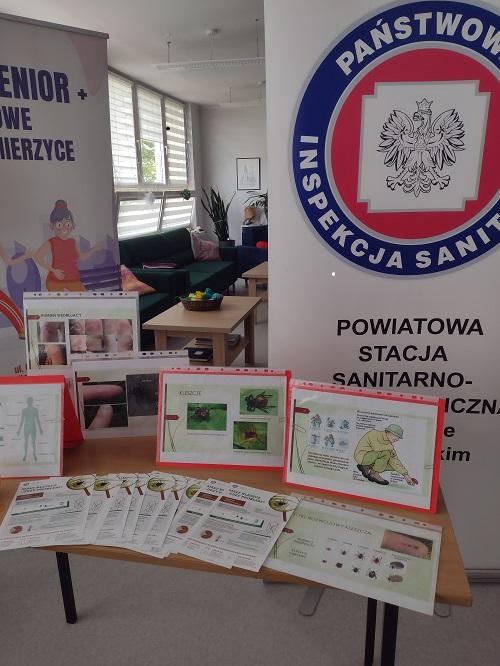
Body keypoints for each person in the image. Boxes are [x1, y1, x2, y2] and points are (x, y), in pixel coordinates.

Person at [33, 199, 104, 291]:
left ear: (72, 225)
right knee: (60, 299)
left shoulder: (73, 242)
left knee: (83, 297)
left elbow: (82, 258)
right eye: (59, 225)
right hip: (55, 281)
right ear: (52, 226)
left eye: (67, 224)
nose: (64, 228)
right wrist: (53, 270)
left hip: (73, 280)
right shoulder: (52, 242)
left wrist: (94, 249)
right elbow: (37, 256)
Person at [354, 424, 418, 486]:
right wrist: (390, 448)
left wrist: (405, 475)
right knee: (386, 453)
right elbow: (376, 448)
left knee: (393, 466)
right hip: (362, 456)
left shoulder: (389, 445)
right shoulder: (374, 433)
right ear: (388, 432)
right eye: (396, 435)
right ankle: (373, 474)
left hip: (372, 458)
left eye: (399, 437)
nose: (398, 439)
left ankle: (366, 467)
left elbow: (394, 460)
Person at [17, 397, 43, 462]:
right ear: (28, 402)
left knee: (32, 442)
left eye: (30, 401)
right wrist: (19, 430)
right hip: (27, 427)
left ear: (31, 402)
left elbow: (38, 420)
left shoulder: (35, 410)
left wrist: (40, 429)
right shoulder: (24, 410)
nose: (29, 402)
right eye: (29, 401)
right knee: (27, 442)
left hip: (31, 427)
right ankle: (26, 455)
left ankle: (33, 454)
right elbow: (22, 421)